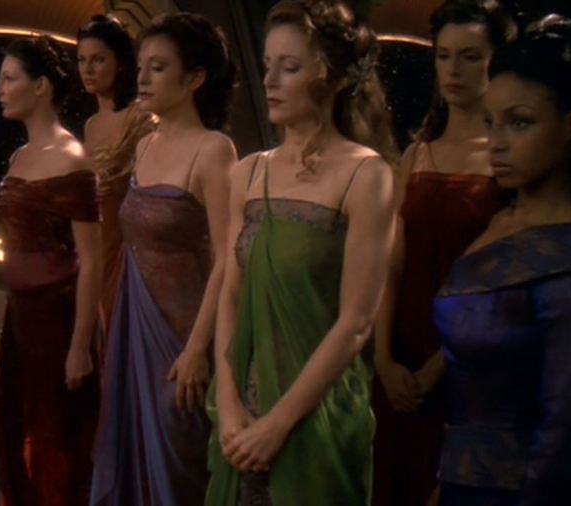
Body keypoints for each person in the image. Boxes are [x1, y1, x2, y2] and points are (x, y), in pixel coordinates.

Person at [206, 1, 398, 504]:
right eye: (267, 65)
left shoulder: (366, 175)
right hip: (243, 407)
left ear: (334, 78)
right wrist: (228, 404)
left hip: (318, 414)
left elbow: (356, 323)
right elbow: (231, 292)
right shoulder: (248, 173)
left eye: (289, 67)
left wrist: (278, 425)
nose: (269, 80)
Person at [434, 15, 571, 505]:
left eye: (520, 122)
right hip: (460, 481)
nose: (498, 141)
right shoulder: (500, 222)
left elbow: (566, 431)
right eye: (491, 122)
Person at [89, 12, 237, 506]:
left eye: (158, 67)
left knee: (183, 466)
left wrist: (197, 348)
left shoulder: (214, 150)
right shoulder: (144, 145)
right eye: (141, 67)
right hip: (135, 329)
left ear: (194, 78)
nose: (143, 78)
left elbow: (227, 259)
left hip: (183, 334)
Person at [371, 2, 516, 505]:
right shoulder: (417, 154)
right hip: (401, 351)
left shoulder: (505, 161)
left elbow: (501, 283)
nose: (454, 70)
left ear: (496, 61)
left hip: (469, 358)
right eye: (444, 56)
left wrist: (436, 367)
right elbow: (391, 263)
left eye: (470, 57)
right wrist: (383, 355)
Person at [0, 34, 101, 506]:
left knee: (61, 444)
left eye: (8, 78)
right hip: (22, 320)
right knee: (26, 435)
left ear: (41, 87)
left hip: (59, 320)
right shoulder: (19, 157)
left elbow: (91, 259)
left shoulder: (71, 157)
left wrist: (79, 347)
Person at [76, 14, 156, 360]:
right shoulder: (91, 126)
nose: (87, 69)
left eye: (98, 59)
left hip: (133, 250)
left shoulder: (141, 118)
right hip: (99, 247)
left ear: (120, 62)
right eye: (81, 60)